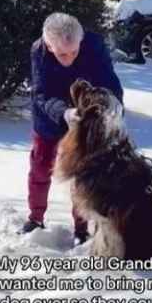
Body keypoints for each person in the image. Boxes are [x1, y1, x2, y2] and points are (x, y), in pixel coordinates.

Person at [22, 12, 123, 243]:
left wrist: (114, 104)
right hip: (50, 117)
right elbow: (41, 93)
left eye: (74, 52)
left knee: (83, 175)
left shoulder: (94, 46)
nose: (68, 59)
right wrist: (64, 113)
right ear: (49, 45)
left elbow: (109, 82)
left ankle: (81, 228)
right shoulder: (39, 50)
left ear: (81, 41)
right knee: (40, 168)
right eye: (61, 54)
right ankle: (35, 218)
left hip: (85, 119)